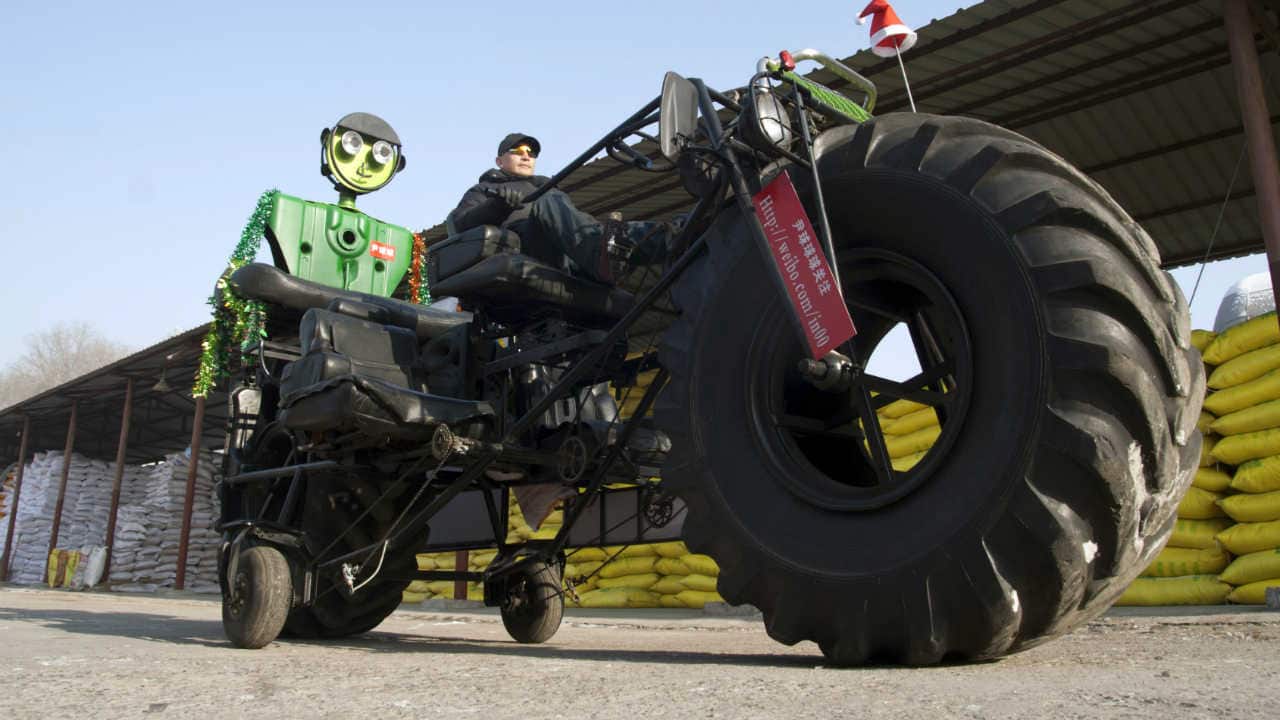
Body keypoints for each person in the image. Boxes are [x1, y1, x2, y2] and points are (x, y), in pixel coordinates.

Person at [448, 132, 670, 283]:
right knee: (550, 201)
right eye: (517, 150)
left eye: (531, 153)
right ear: (499, 161)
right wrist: (497, 207)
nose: (526, 155)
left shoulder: (550, 189)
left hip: (569, 255)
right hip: (527, 249)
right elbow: (459, 224)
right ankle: (601, 252)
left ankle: (675, 235)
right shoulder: (485, 189)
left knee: (606, 233)